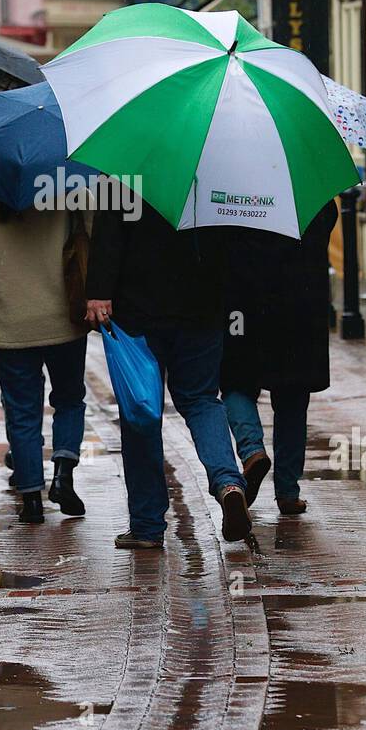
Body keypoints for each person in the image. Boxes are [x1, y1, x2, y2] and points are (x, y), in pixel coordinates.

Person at [85, 201, 250, 550]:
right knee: (202, 400)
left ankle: (146, 526)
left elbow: (109, 229)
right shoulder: (220, 163)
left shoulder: (126, 159)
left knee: (141, 412)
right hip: (202, 309)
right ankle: (228, 482)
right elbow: (236, 239)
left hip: (138, 311)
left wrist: (99, 290)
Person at [0, 194, 90, 525]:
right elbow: (90, 241)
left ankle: (32, 500)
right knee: (69, 400)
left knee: (22, 410)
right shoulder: (69, 188)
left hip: (10, 324)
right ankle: (63, 474)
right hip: (64, 320)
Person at [221, 201, 338, 516]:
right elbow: (326, 222)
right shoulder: (306, 186)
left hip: (243, 305)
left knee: (235, 381)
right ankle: (288, 490)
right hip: (300, 303)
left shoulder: (231, 186)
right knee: (292, 395)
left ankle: (252, 450)